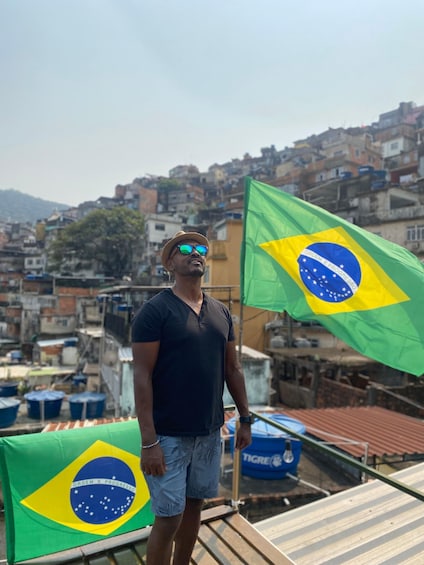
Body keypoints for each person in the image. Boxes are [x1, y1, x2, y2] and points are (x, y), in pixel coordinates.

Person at [132, 231, 252, 565]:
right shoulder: (154, 312)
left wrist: (245, 418)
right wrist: (149, 442)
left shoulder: (221, 312)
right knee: (168, 517)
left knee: (194, 506)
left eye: (201, 249)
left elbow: (233, 368)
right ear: (170, 263)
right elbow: (141, 376)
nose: (195, 253)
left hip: (210, 431)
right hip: (168, 436)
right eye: (185, 249)